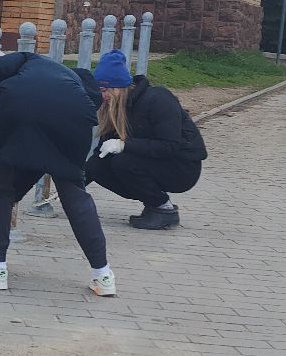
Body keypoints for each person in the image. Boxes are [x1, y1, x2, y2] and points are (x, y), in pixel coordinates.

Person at [0, 48, 116, 297]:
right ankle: (103, 275)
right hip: (75, 119)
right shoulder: (78, 86)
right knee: (74, 194)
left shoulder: (29, 58)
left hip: (18, 105)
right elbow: (45, 155)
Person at [83, 49, 206, 229]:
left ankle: (164, 208)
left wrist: (124, 145)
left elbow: (169, 146)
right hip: (151, 160)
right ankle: (153, 203)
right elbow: (100, 154)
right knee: (98, 166)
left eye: (104, 90)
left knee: (122, 162)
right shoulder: (114, 110)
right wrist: (74, 185)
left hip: (182, 166)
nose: (102, 96)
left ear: (117, 87)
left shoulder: (158, 99)